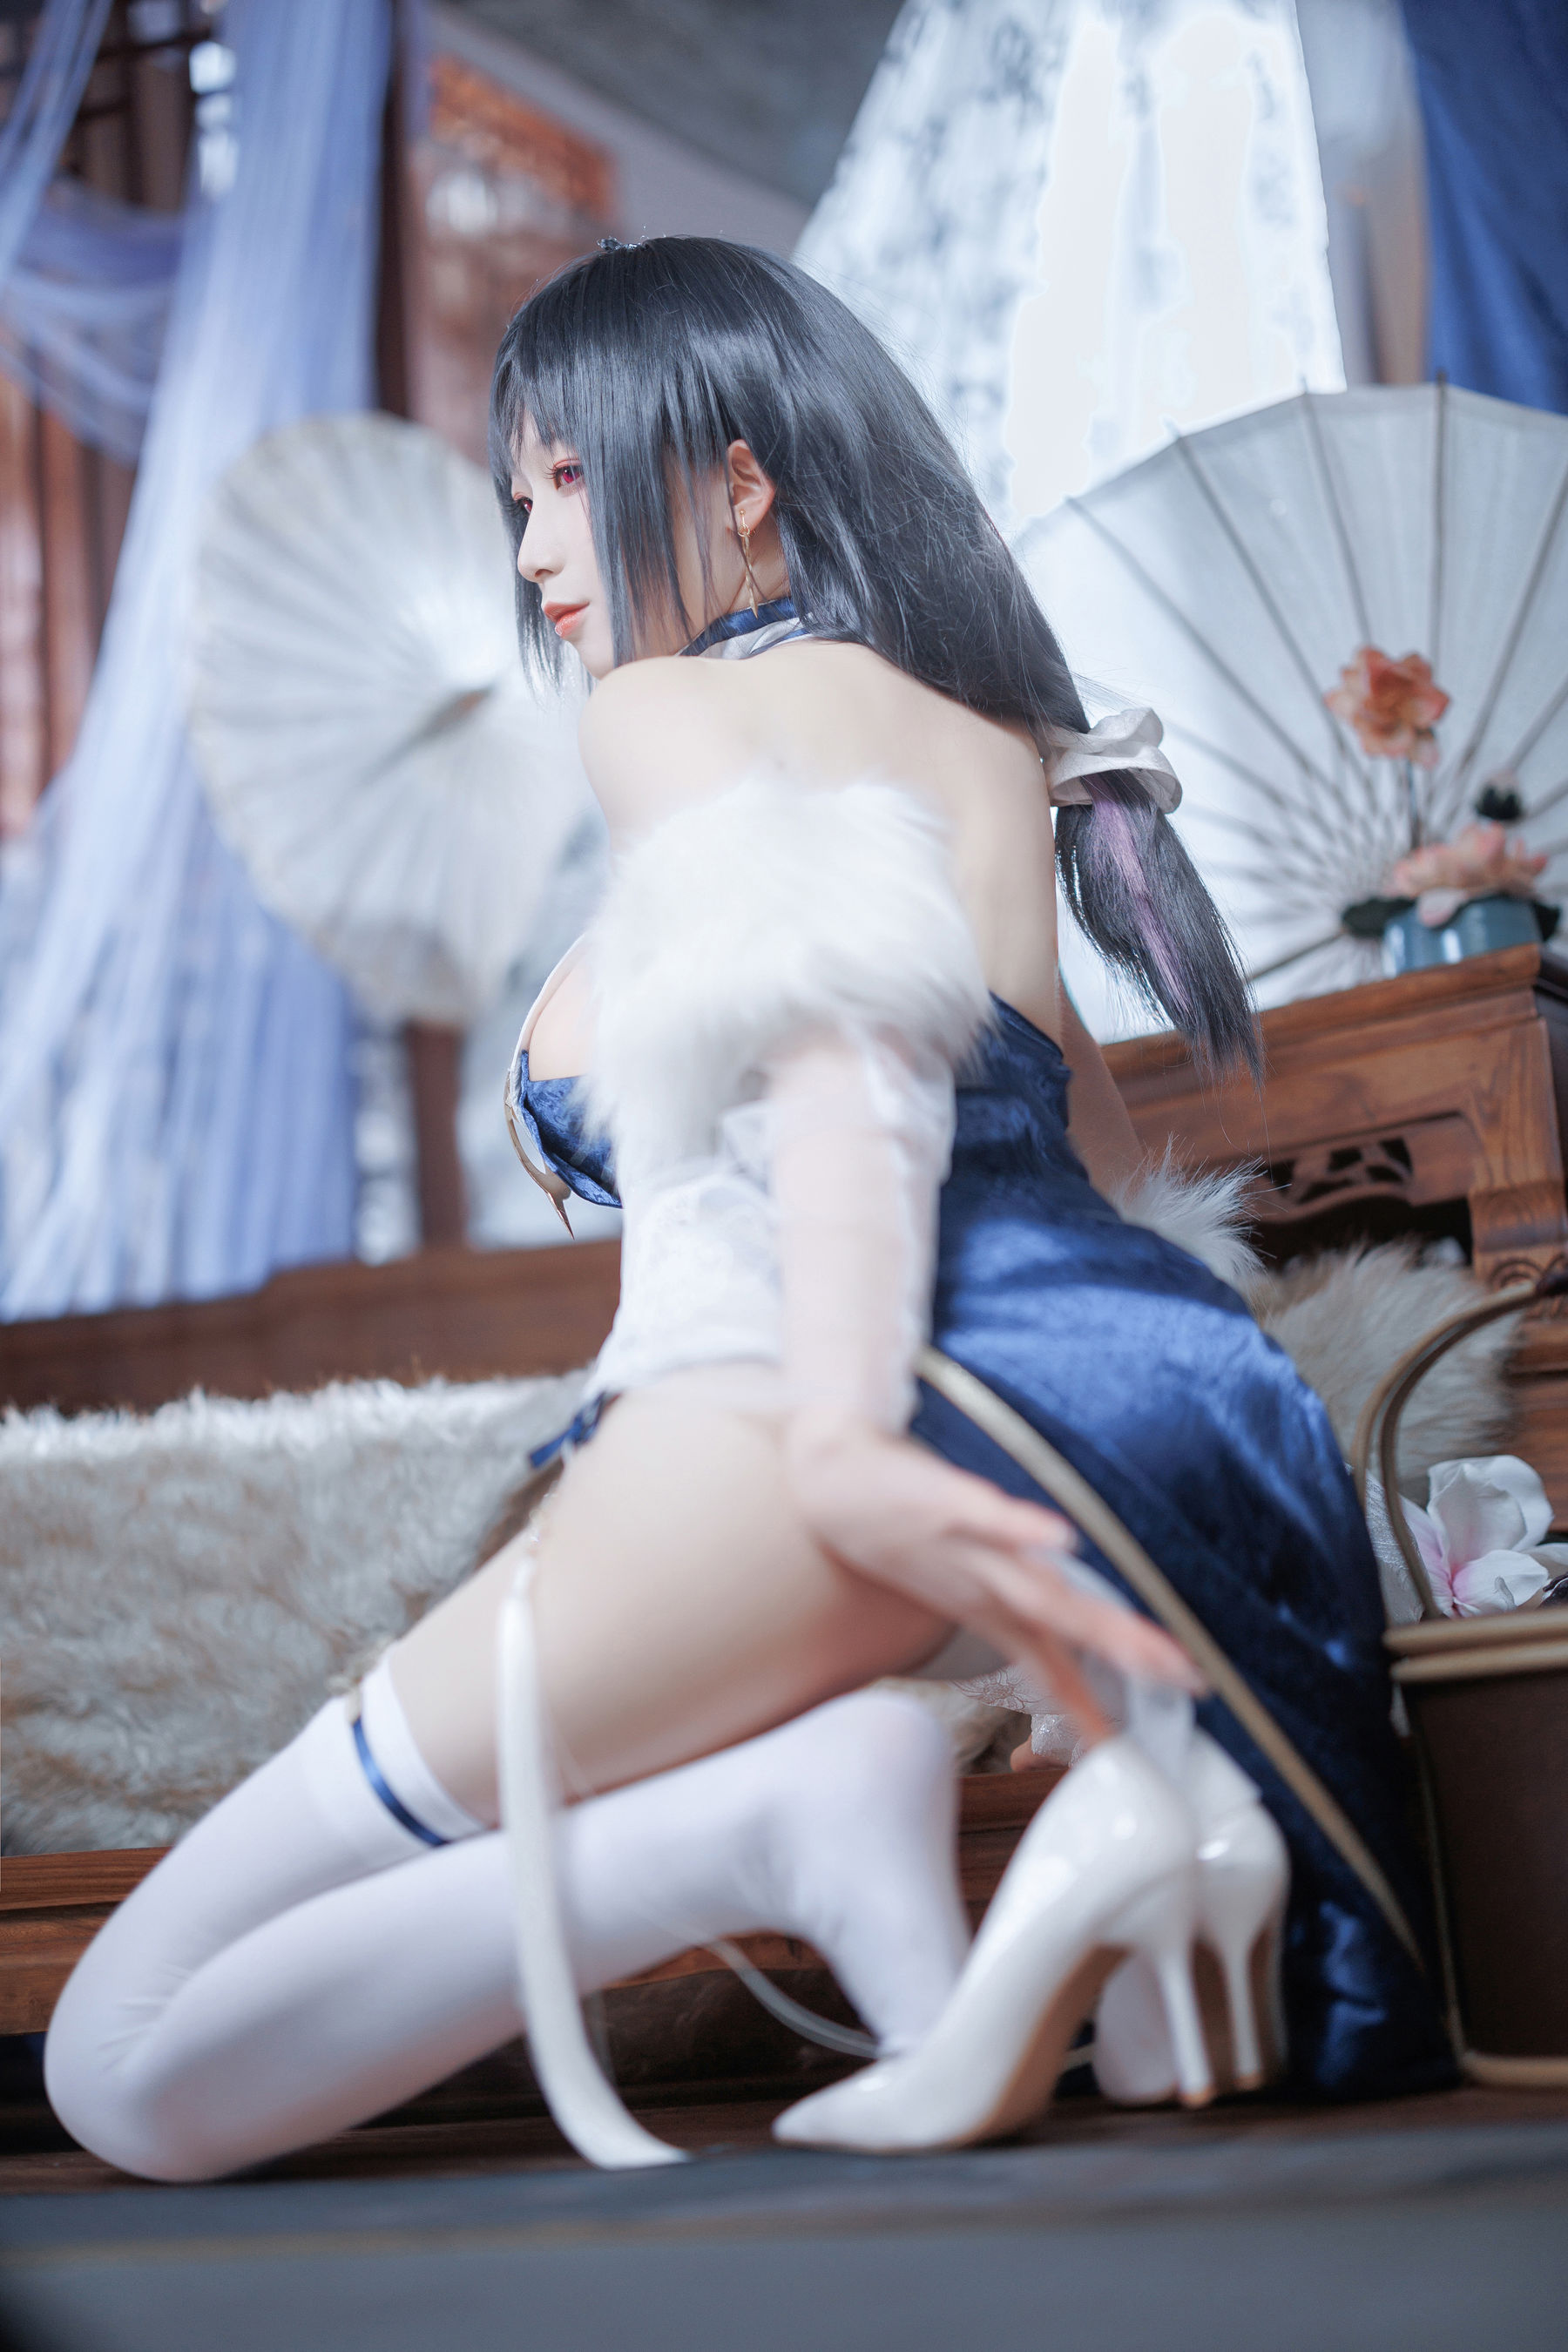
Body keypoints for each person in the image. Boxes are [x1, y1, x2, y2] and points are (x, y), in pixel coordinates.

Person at [44, 239, 1450, 2183]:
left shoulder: (664, 714)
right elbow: (1097, 1179)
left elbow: (841, 1047)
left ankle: (765, 1827)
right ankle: (819, 1797)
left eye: (566, 476)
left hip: (779, 1429)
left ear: (737, 483)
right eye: (517, 493)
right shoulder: (987, 746)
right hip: (1112, 1397)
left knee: (119, 2060)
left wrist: (856, 1439)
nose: (535, 544)